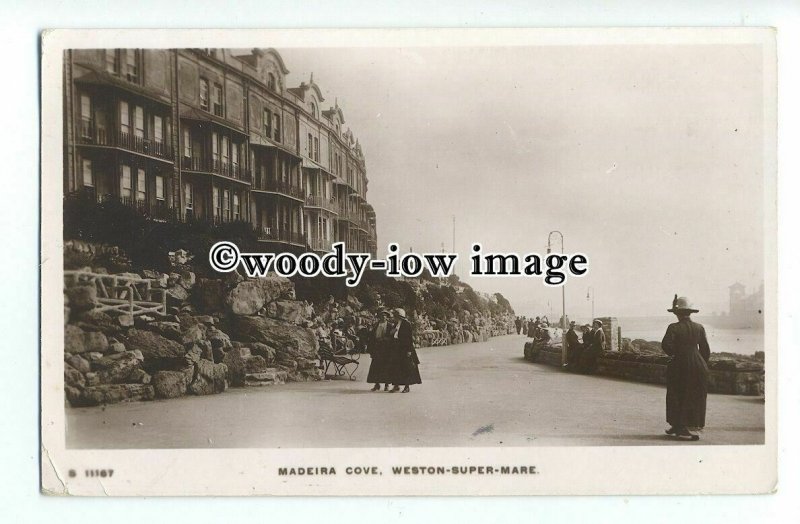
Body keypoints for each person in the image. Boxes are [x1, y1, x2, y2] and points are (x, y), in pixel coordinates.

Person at [661, 295, 710, 441]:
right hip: (699, 365)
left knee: (677, 394)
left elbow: (666, 346)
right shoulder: (699, 327)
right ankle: (691, 427)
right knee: (695, 396)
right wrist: (701, 363)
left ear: (677, 313)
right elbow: (706, 350)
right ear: (690, 312)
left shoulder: (674, 327)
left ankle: (679, 426)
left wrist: (676, 353)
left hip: (680, 365)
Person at [388, 308, 421, 393]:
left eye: (395, 316)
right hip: (396, 347)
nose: (393, 317)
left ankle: (407, 386)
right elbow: (391, 334)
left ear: (399, 316)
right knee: (395, 367)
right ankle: (396, 386)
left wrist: (409, 350)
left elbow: (409, 338)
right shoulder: (395, 324)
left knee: (406, 367)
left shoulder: (406, 324)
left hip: (404, 348)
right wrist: (392, 332)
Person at [366, 310, 392, 391]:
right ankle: (377, 384)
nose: (383, 317)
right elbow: (372, 337)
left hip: (386, 348)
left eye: (385, 315)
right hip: (377, 348)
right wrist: (371, 349)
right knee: (376, 366)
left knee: (386, 367)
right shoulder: (376, 325)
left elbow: (391, 337)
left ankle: (387, 385)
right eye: (382, 315)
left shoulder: (390, 325)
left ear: (387, 317)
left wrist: (384, 339)